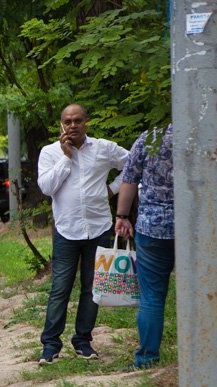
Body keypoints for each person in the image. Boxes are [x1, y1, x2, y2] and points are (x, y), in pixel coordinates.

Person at [37, 104, 129, 365]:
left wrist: (112, 189)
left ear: (86, 122)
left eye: (78, 120)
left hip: (98, 228)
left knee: (92, 289)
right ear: (61, 125)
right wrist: (66, 158)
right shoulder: (50, 152)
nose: (73, 125)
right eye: (68, 121)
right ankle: (50, 345)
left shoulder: (103, 148)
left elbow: (133, 164)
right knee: (60, 289)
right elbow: (46, 187)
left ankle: (83, 341)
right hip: (67, 230)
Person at [115, 124, 174, 371]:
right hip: (200, 227)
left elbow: (128, 180)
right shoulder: (209, 133)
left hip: (153, 229)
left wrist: (122, 215)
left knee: (151, 298)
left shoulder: (150, 138)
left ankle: (148, 359)